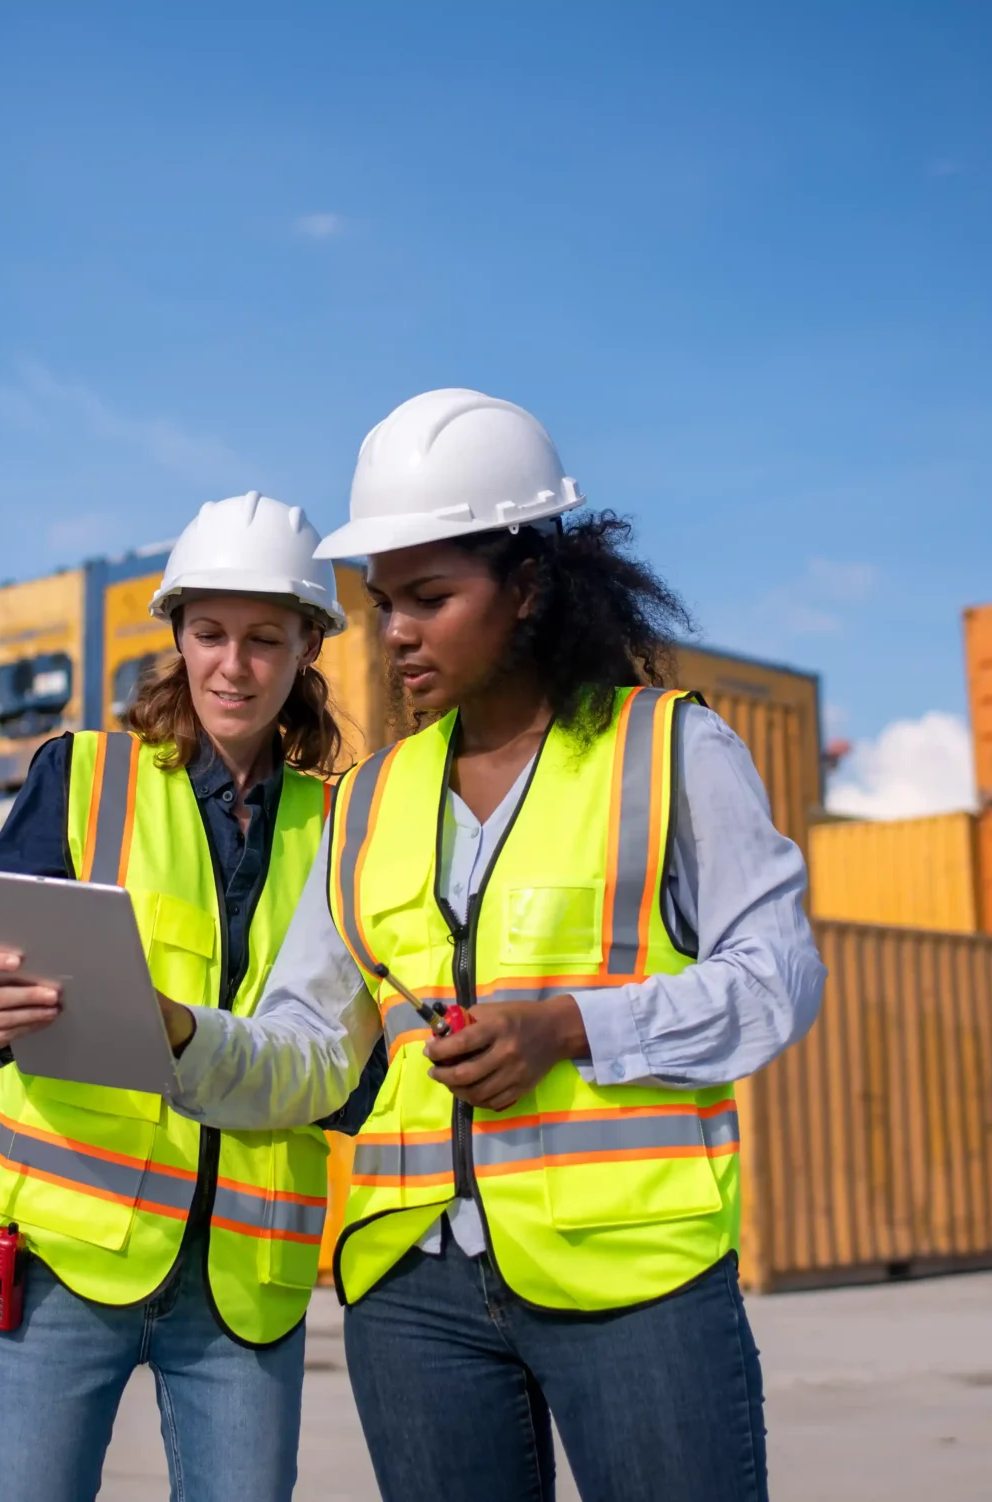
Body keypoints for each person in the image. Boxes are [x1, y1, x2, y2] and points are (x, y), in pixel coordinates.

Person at [161, 389, 826, 1502]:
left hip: (633, 1275)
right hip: (408, 1290)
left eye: (431, 595)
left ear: (525, 588)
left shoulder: (668, 749)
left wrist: (569, 1026)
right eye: (382, 601)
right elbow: (310, 1051)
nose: (397, 630)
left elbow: (776, 982)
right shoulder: (369, 800)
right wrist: (175, 1033)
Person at [0, 490, 381, 1502]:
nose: (234, 664)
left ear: (309, 645)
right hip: (66, 1259)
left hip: (244, 1281)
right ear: (178, 635)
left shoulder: (350, 829)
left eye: (265, 638)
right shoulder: (84, 779)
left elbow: (355, 1071)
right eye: (211, 633)